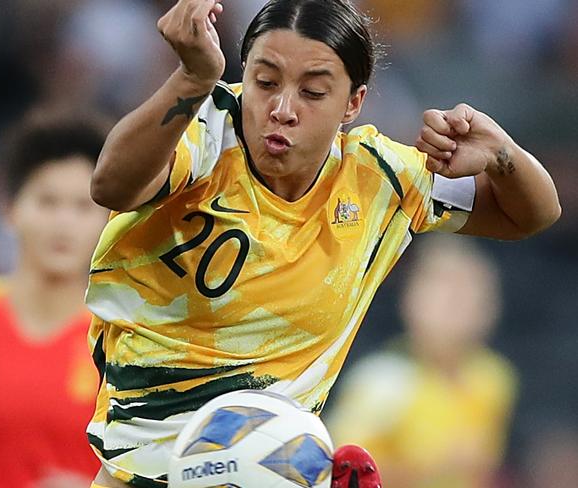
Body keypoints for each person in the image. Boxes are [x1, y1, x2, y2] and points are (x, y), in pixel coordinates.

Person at [85, 1, 561, 486]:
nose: (283, 110)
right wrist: (191, 78)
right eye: (265, 83)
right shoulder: (205, 130)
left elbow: (531, 214)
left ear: (353, 103)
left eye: (312, 92)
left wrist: (502, 153)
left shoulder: (379, 178)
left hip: (274, 472)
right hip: (138, 471)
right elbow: (111, 186)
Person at [0, 108, 110, 487]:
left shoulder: (123, 341)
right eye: (47, 202)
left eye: (82, 206)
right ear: (10, 211)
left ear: (109, 219)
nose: (64, 222)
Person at [326, 235, 518, 488]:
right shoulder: (382, 381)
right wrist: (435, 464)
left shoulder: (494, 379)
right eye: (444, 289)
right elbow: (339, 472)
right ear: (411, 299)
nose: (457, 302)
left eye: (470, 289)